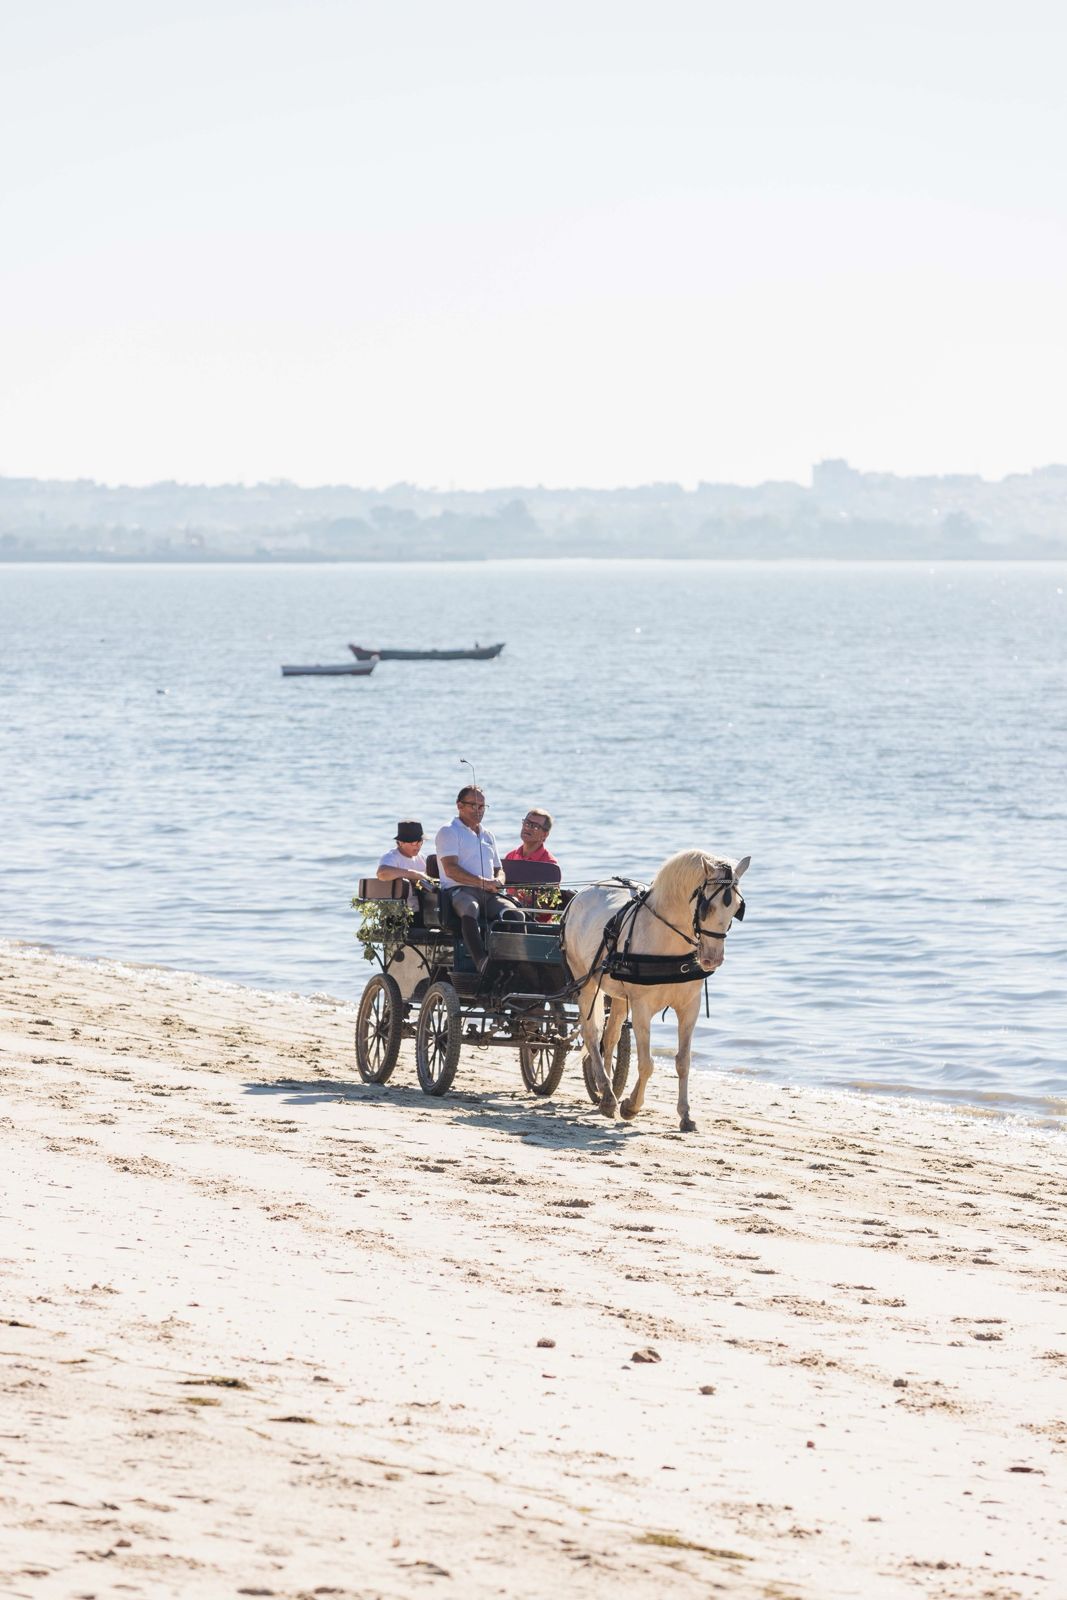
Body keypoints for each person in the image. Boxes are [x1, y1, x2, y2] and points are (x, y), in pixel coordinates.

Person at [435, 786, 515, 972]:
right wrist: (482, 882)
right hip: (459, 890)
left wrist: (499, 881)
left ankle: (513, 962)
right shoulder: (449, 831)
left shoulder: (488, 835)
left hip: (489, 893)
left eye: (482, 806)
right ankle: (481, 963)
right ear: (459, 806)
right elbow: (451, 869)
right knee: (470, 907)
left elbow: (499, 869)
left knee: (515, 913)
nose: (479, 810)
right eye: (473, 805)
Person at [376, 821, 430, 887]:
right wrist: (415, 874)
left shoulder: (422, 858)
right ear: (401, 842)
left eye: (420, 842)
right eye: (414, 842)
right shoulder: (391, 857)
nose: (418, 846)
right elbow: (382, 874)